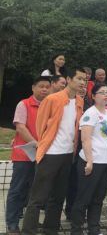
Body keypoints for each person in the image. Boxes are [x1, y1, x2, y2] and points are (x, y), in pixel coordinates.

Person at [21, 67, 86, 235]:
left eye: (84, 79)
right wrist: (45, 144)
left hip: (67, 154)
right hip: (50, 154)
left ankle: (51, 230)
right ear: (69, 80)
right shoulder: (52, 99)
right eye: (79, 78)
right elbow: (40, 126)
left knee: (58, 197)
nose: (82, 82)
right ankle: (28, 231)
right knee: (38, 198)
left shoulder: (79, 101)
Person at [5, 76, 51, 234]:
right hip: (24, 154)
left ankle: (30, 222)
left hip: (41, 155)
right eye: (41, 86)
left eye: (47, 87)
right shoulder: (23, 104)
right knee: (17, 189)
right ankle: (12, 223)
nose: (44, 89)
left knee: (35, 191)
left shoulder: (50, 106)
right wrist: (36, 143)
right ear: (33, 88)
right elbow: (20, 127)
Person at [71, 84, 107, 235]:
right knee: (83, 198)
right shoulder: (90, 113)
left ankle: (94, 230)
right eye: (102, 92)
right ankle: (76, 230)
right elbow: (85, 139)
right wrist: (89, 161)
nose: (106, 95)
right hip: (91, 162)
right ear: (93, 96)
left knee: (98, 199)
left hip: (106, 162)